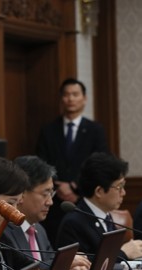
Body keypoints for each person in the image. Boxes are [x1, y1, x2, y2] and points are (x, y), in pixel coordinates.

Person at [36, 78, 109, 246]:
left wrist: (74, 186)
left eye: (75, 94)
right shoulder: (48, 130)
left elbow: (99, 164)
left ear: (84, 98)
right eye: (66, 95)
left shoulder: (95, 130)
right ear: (61, 99)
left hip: (82, 199)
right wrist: (57, 186)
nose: (70, 99)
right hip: (53, 201)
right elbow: (41, 163)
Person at [7, 155, 91, 270]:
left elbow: (49, 264)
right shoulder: (3, 231)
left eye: (51, 194)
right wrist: (63, 263)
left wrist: (70, 268)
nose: (50, 202)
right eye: (45, 194)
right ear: (22, 193)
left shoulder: (39, 230)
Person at [56, 153, 142, 261]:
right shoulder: (73, 224)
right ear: (99, 191)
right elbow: (84, 266)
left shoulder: (106, 216)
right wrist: (122, 254)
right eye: (119, 187)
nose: (123, 192)